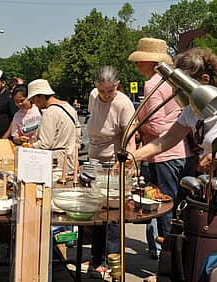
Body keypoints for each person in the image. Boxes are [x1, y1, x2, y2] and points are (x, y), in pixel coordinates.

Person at [131, 47, 217, 233]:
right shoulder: (192, 110)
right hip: (216, 187)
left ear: (204, 80)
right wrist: (134, 156)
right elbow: (166, 140)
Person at [128, 37, 196, 260]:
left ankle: (169, 261)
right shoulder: (174, 81)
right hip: (182, 153)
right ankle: (182, 258)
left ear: (151, 61)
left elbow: (157, 129)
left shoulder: (153, 84)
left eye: (140, 60)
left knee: (165, 209)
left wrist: (140, 124)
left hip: (163, 155)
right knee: (181, 210)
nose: (137, 65)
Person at [84, 66, 136, 275]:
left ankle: (111, 260)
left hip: (114, 160)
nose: (105, 95)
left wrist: (126, 161)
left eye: (109, 91)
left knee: (113, 215)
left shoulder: (123, 103)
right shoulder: (93, 96)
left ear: (117, 86)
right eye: (101, 90)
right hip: (94, 157)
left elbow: (130, 137)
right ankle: (95, 258)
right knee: (96, 211)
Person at [27, 79, 80, 174]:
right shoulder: (69, 107)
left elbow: (45, 143)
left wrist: (29, 147)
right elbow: (77, 134)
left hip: (56, 165)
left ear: (41, 96)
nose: (34, 103)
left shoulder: (49, 113)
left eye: (33, 99)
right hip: (70, 161)